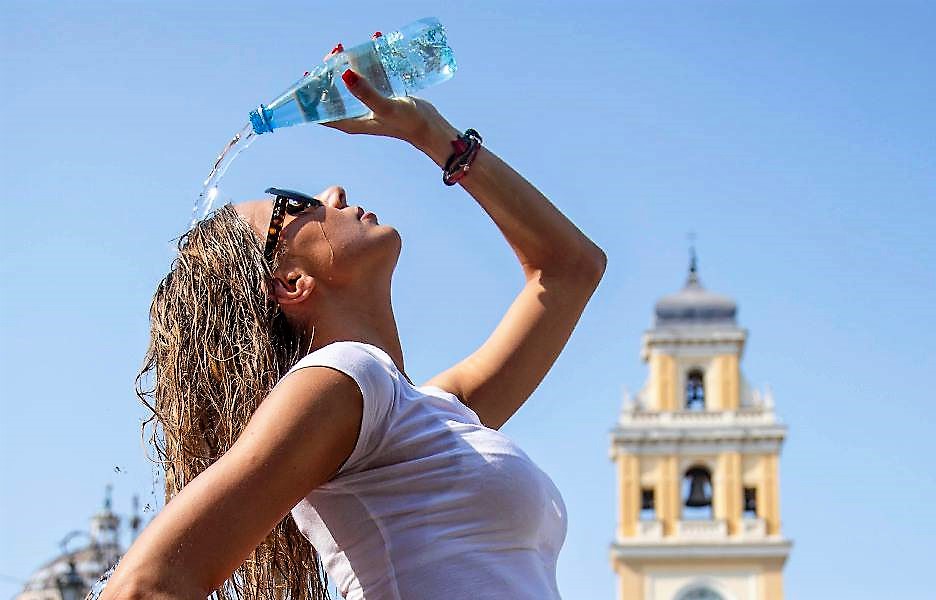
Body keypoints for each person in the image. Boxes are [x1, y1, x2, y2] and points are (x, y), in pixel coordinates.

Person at [100, 65, 606, 600]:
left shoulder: (428, 412)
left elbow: (571, 269)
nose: (334, 191)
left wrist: (431, 134)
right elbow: (144, 587)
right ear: (290, 282)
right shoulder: (346, 377)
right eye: (298, 204)